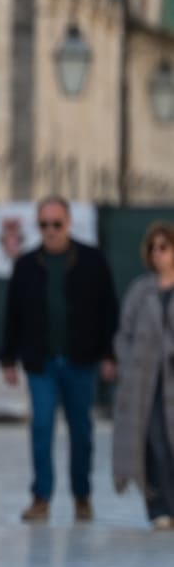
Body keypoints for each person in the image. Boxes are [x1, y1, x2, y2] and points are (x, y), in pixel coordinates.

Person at [0, 197, 119, 523]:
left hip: (81, 360)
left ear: (68, 223)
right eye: (44, 224)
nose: (50, 230)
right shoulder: (26, 265)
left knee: (81, 430)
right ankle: (41, 497)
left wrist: (110, 354)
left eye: (56, 223)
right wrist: (8, 359)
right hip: (41, 362)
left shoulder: (92, 260)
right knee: (41, 426)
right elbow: (13, 314)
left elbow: (108, 308)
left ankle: (82, 496)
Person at [112, 223, 174, 529]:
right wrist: (128, 364)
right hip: (146, 382)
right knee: (153, 443)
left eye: (164, 247)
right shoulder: (140, 290)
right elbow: (124, 334)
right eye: (153, 248)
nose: (158, 254)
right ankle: (160, 507)